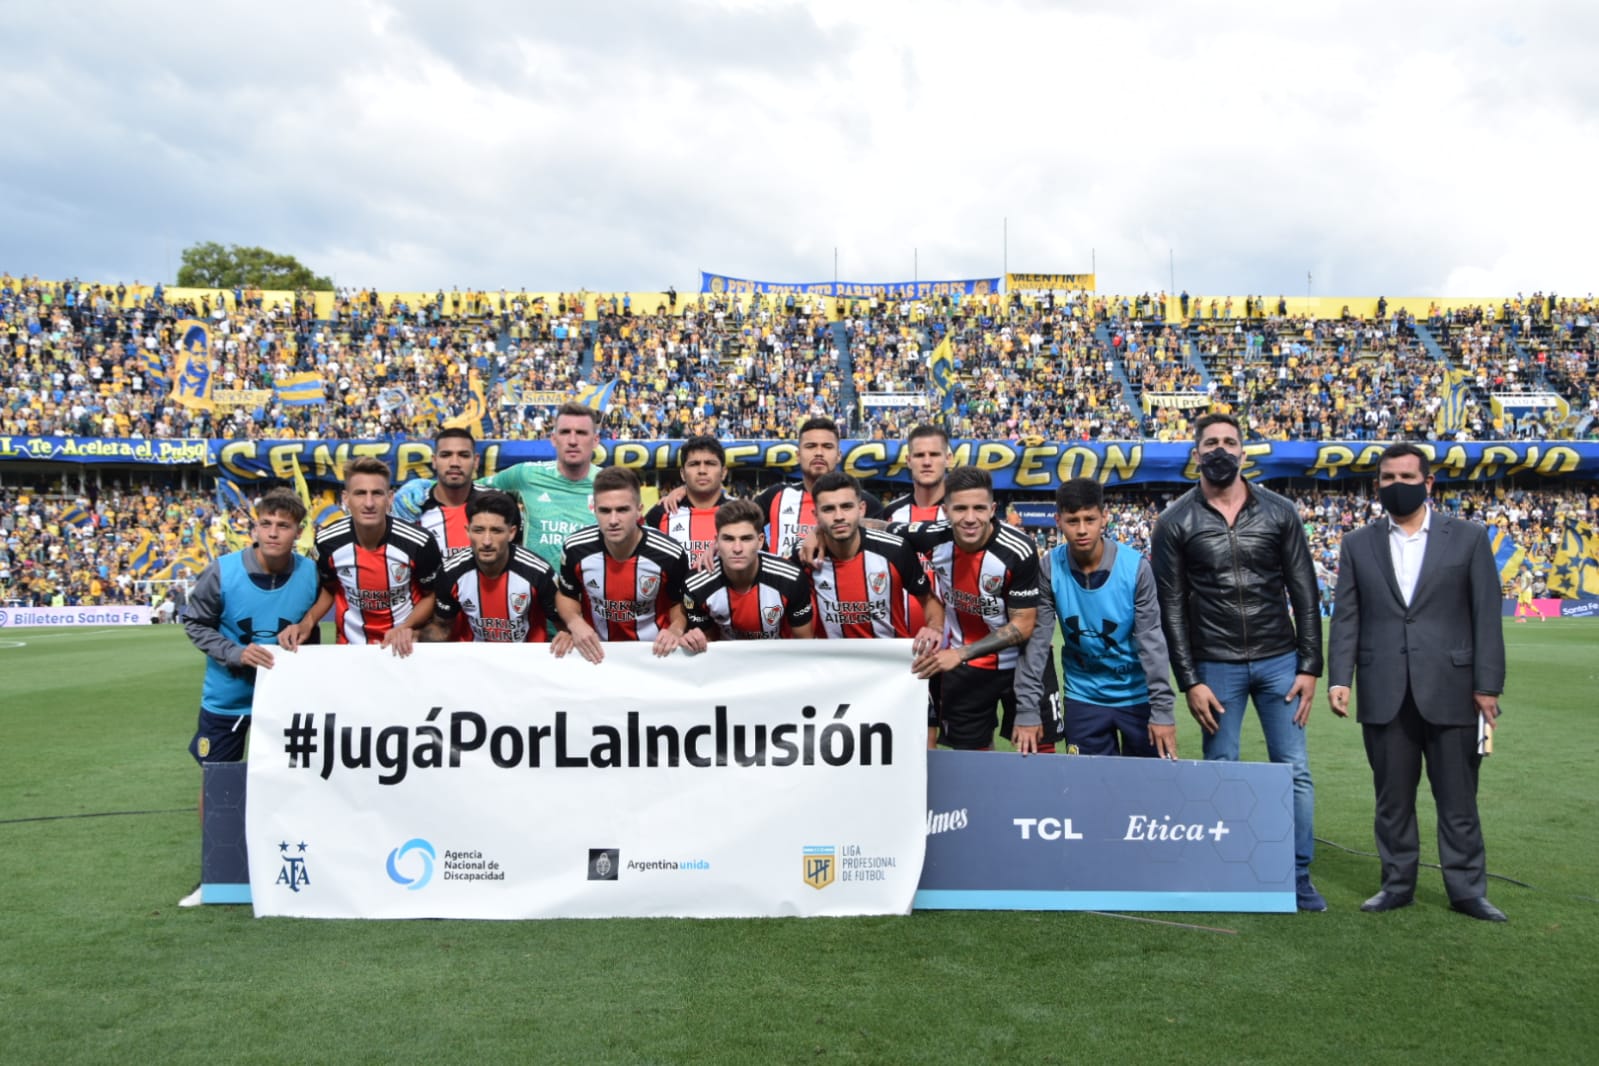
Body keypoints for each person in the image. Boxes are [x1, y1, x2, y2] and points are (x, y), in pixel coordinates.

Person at [1151, 412, 1326, 911]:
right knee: (1220, 770)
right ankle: (1225, 871)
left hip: (1280, 661)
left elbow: (1304, 593)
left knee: (1293, 769)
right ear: (1196, 454)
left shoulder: (1280, 512)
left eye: (1230, 442)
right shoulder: (1174, 521)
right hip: (1216, 666)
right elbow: (1172, 608)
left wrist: (1309, 664)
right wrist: (1189, 680)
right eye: (1211, 444)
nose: (1220, 451)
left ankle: (1296, 876)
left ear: (1244, 453)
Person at [1328, 443, 1508, 921]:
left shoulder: (1468, 538)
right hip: (1384, 689)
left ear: (1429, 483)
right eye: (1388, 478)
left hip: (1454, 690)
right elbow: (1346, 617)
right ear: (1376, 485)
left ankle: (1467, 890)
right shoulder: (1357, 543)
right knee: (1392, 800)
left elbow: (1486, 617)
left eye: (1407, 476)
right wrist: (1339, 677)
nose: (1397, 485)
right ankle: (1397, 884)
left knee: (1458, 800)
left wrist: (1488, 686)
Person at [179, 488, 320, 906]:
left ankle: (293, 871)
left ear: (297, 532)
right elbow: (195, 623)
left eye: (284, 526)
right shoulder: (222, 571)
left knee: (292, 783)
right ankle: (216, 875)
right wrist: (235, 653)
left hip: (285, 702)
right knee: (217, 782)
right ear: (254, 527)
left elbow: (317, 619)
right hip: (227, 701)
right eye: (267, 524)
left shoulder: (311, 574)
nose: (273, 532)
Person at [898, 467, 1061, 754]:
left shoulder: (1018, 550)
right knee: (970, 759)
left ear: (993, 509)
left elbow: (1023, 625)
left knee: (1039, 752)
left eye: (978, 508)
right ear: (945, 510)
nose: (970, 518)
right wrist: (820, 534)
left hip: (1020, 665)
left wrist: (958, 654)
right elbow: (878, 527)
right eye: (960, 508)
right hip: (966, 671)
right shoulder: (931, 537)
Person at [1023, 477, 1175, 758]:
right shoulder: (1048, 568)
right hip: (1083, 698)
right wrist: (1027, 709)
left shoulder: (1136, 568)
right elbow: (1037, 643)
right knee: (1088, 793)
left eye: (1090, 519)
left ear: (1104, 517)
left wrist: (1163, 711)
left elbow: (1152, 643)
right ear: (1058, 520)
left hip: (1137, 697)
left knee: (1147, 795)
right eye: (1072, 520)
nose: (1082, 529)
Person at [284, 457, 442, 655]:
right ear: (346, 498)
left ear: (390, 498)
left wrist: (406, 627)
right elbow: (329, 589)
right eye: (360, 493)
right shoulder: (327, 541)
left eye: (377, 493)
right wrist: (306, 623)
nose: (369, 503)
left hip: (403, 648)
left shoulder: (419, 542)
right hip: (352, 651)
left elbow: (431, 595)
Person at [556, 466, 690, 662]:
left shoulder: (669, 553)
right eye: (604, 510)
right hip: (596, 654)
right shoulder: (575, 548)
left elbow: (680, 602)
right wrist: (574, 623)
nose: (613, 520)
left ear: (638, 510)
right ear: (594, 509)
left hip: (656, 655)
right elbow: (566, 594)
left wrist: (676, 629)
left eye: (622, 510)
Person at [806, 471, 943, 651]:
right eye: (828, 509)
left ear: (861, 508)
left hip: (890, 665)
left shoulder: (895, 550)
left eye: (846, 506)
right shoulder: (805, 556)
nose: (838, 516)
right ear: (815, 514)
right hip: (832, 669)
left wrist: (935, 628)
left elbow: (929, 600)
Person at [421, 490, 564, 646]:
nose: (487, 541)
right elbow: (442, 628)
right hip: (475, 661)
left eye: (496, 531)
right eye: (479, 530)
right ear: (467, 531)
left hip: (526, 663)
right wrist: (413, 635)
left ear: (511, 533)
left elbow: (564, 626)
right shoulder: (450, 572)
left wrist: (568, 635)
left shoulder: (538, 572)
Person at [681, 498, 815, 645]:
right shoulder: (696, 585)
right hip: (727, 661)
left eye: (746, 539)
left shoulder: (790, 579)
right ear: (716, 541)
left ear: (760, 541)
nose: (737, 548)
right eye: (728, 539)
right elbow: (708, 642)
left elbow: (804, 644)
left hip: (779, 661)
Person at [754, 416, 882, 557]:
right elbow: (743, 531)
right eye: (811, 446)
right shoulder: (775, 496)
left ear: (838, 455)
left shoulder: (864, 502)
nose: (819, 453)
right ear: (798, 455)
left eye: (827, 446)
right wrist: (767, 559)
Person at [390, 426, 487, 562]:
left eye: (463, 455)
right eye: (446, 455)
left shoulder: (495, 504)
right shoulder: (412, 506)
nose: (454, 463)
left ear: (476, 461)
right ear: (434, 461)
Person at [644, 435, 731, 559]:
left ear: (723, 472)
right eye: (694, 464)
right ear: (683, 474)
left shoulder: (741, 513)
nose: (702, 470)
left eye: (710, 463)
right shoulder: (660, 513)